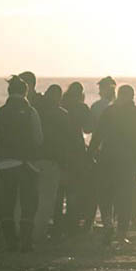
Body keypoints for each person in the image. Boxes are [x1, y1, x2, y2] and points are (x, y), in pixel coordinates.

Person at [88, 84, 136, 245]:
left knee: (106, 194)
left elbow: (97, 135)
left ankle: (109, 224)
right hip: (129, 161)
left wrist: (90, 154)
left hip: (108, 159)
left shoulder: (109, 112)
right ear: (132, 96)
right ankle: (121, 233)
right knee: (125, 198)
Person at [0, 76, 43, 252]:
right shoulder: (30, 112)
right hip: (26, 163)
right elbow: (38, 138)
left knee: (7, 202)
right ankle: (26, 241)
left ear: (9, 91)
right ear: (25, 92)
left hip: (5, 163)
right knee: (29, 202)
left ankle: (10, 241)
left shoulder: (0, 112)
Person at [55, 82, 93, 235]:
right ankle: (72, 223)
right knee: (74, 190)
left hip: (59, 150)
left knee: (58, 190)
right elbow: (89, 128)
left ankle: (57, 223)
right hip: (76, 151)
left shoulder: (61, 105)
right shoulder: (81, 107)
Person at [34, 84, 69, 240]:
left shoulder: (37, 111)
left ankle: (31, 229)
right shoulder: (62, 115)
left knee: (35, 196)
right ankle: (41, 232)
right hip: (52, 160)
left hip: (35, 158)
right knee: (49, 198)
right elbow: (66, 141)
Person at [86, 76, 117, 229]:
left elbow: (89, 129)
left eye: (100, 88)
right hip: (118, 151)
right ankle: (112, 220)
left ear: (105, 89)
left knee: (98, 187)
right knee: (116, 187)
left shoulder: (97, 107)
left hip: (101, 151)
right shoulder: (120, 107)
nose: (98, 92)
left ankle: (92, 221)